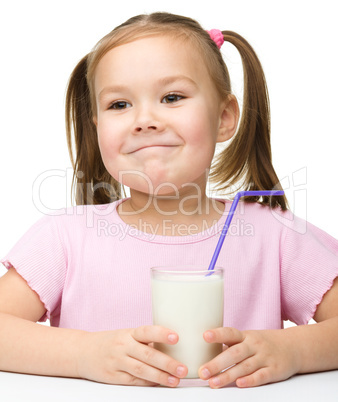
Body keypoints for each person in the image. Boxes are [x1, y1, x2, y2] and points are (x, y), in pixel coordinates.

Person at [0, 12, 337, 389]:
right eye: (119, 105)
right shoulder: (63, 237)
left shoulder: (274, 235)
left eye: (172, 97)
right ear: (96, 126)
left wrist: (292, 350)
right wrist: (83, 353)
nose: (144, 119)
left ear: (224, 117)